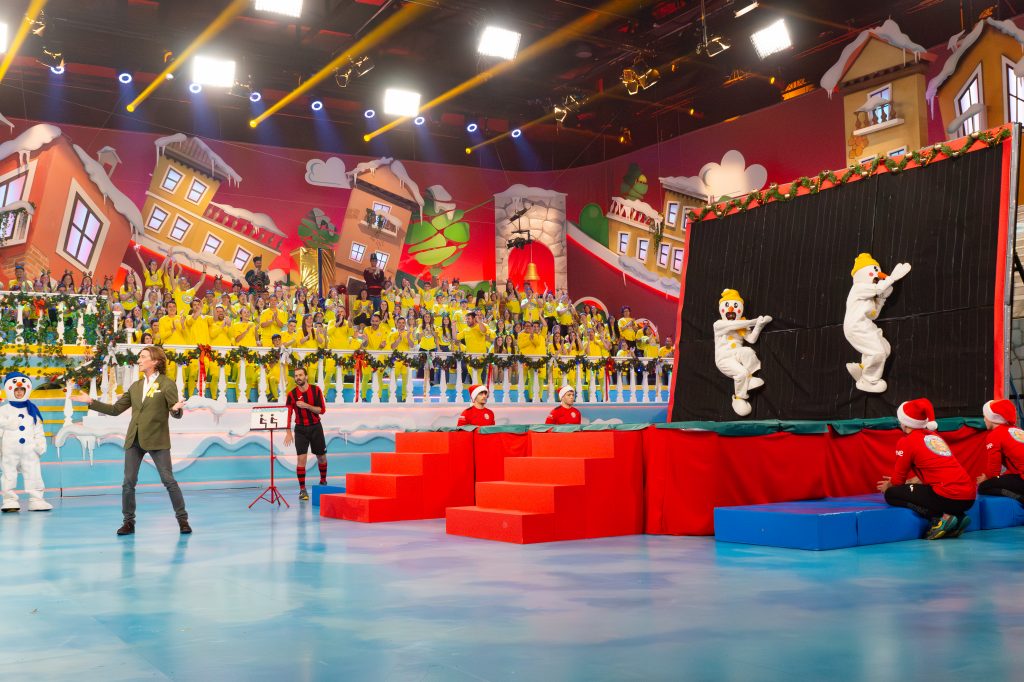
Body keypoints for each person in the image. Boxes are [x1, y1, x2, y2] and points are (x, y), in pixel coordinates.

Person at [72, 345, 190, 535]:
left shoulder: (167, 384)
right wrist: (91, 402)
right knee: (128, 482)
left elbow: (174, 410)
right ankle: (128, 522)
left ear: (155, 361)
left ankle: (183, 520)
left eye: (143, 357)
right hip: (134, 438)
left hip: (157, 438)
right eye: (140, 356)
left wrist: (176, 409)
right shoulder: (135, 387)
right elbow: (115, 410)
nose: (139, 360)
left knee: (168, 480)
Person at [876, 398, 975, 540]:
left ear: (905, 422)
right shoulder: (934, 436)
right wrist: (913, 481)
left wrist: (889, 486)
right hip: (968, 497)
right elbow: (938, 468)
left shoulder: (906, 442)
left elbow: (898, 482)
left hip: (948, 496)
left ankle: (938, 518)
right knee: (921, 491)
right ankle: (958, 517)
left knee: (891, 494)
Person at [0, 372, 51, 512]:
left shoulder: (32, 410)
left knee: (34, 474)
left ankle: (36, 500)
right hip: (9, 450)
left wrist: (40, 444)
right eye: (16, 390)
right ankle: (9, 500)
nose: (19, 392)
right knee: (8, 475)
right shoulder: (3, 410)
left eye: (22, 389)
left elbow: (38, 429)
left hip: (30, 450)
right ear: (10, 389)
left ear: (26, 390)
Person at [284, 366, 327, 501]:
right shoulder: (291, 395)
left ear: (306, 376)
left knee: (321, 457)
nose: (298, 378)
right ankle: (302, 490)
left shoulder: (316, 390)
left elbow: (322, 410)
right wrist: (288, 432)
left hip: (316, 427)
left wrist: (307, 406)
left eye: (300, 375)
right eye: (296, 376)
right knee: (301, 459)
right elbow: (287, 414)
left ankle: (323, 482)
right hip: (300, 429)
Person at [977, 399, 1024, 503]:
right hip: (1020, 476)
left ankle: (1020, 498)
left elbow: (994, 469)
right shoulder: (1017, 430)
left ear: (992, 418)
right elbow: (1015, 466)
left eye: (985, 416)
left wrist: (987, 479)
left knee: (983, 487)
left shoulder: (994, 435)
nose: (984, 420)